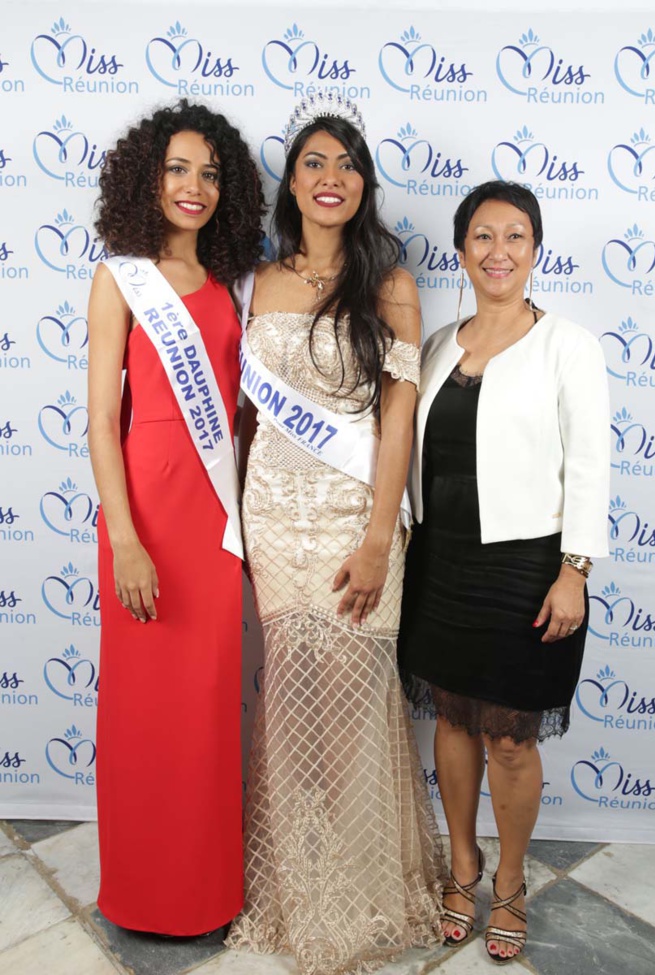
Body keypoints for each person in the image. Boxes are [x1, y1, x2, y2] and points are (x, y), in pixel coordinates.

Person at [225, 93, 445, 975]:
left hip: (360, 519)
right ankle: (297, 883)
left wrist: (377, 539)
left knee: (355, 704)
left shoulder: (390, 282)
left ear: (364, 185)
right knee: (290, 703)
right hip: (276, 518)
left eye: (346, 163)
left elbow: (399, 420)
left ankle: (365, 881)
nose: (331, 177)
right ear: (290, 181)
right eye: (313, 161)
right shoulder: (260, 282)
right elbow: (246, 419)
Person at [398, 180, 610, 963]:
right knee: (451, 721)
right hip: (440, 558)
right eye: (482, 236)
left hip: (527, 564)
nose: (498, 251)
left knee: (511, 741)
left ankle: (511, 883)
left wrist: (574, 570)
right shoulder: (436, 344)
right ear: (460, 250)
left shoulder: (569, 346)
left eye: (514, 236)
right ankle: (462, 864)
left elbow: (589, 464)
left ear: (534, 250)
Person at [87, 100, 264, 935]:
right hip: (145, 515)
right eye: (178, 169)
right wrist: (125, 540)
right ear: (147, 178)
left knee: (201, 713)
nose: (194, 187)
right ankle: (139, 891)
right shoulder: (121, 274)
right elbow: (98, 422)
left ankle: (203, 892)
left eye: (210, 172)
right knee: (143, 710)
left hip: (213, 519)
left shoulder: (229, 285)